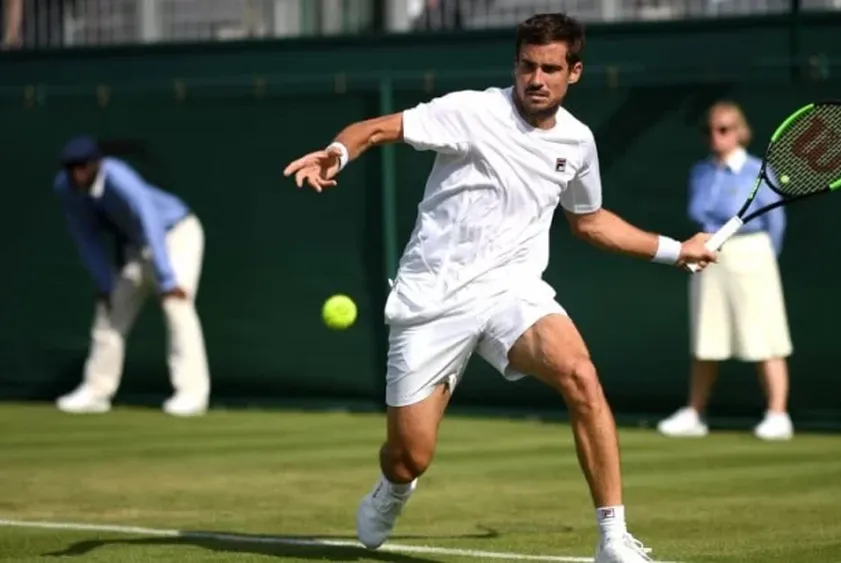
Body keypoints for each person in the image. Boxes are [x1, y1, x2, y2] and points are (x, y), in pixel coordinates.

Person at [283, 13, 717, 563]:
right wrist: (337, 153)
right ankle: (393, 486)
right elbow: (374, 129)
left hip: (512, 290)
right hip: (432, 299)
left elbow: (590, 222)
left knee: (581, 376)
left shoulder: (578, 142)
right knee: (410, 455)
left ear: (574, 72)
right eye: (527, 66)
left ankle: (613, 538)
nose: (536, 79)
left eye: (550, 69)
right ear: (515, 65)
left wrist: (676, 250)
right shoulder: (471, 111)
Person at [656, 101, 794, 441]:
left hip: (751, 255)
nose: (715, 136)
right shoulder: (700, 172)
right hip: (708, 254)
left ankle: (778, 415)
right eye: (709, 130)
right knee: (706, 339)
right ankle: (695, 413)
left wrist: (763, 258)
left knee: (764, 337)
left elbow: (775, 223)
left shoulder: (758, 171)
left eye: (724, 129)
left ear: (740, 132)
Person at [53, 135, 211, 417]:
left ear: (96, 164)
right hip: (137, 247)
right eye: (71, 168)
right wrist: (104, 281)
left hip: (176, 235)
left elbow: (149, 219)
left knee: (176, 305)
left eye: (83, 166)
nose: (77, 174)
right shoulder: (65, 188)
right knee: (109, 311)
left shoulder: (118, 177)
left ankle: (192, 394)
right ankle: (96, 391)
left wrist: (166, 278)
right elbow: (86, 237)